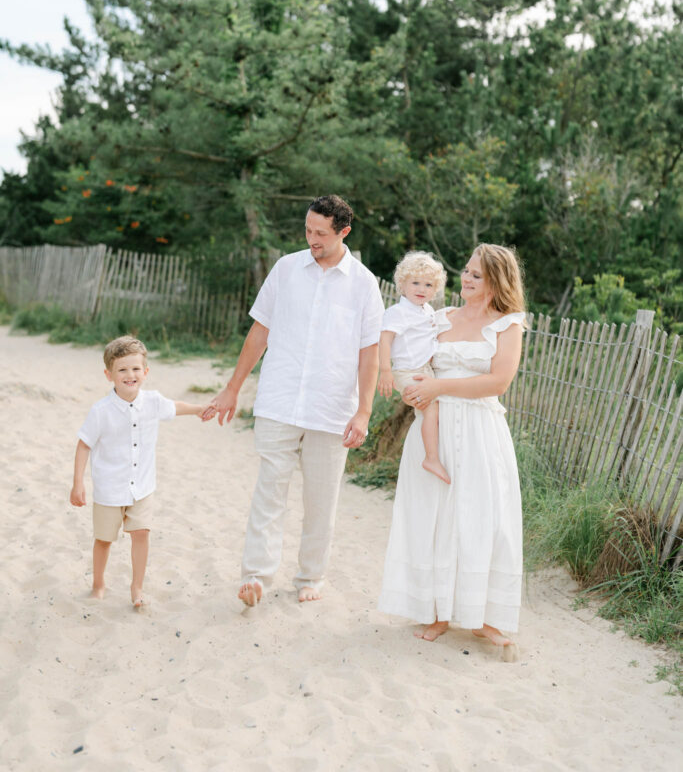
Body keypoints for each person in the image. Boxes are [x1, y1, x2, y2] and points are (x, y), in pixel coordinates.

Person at [209, 195, 385, 607]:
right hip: (279, 398)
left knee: (321, 500)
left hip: (331, 408)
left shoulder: (364, 284)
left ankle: (311, 575)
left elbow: (369, 355)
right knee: (269, 490)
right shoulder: (286, 268)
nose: (311, 239)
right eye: (307, 229)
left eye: (320, 233)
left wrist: (364, 411)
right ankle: (255, 576)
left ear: (344, 232)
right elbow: (260, 331)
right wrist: (233, 387)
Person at [378, 243, 526, 654]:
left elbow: (497, 382)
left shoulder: (508, 325)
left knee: (480, 517)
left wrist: (440, 386)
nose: (466, 278)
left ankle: (482, 616)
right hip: (434, 427)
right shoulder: (436, 318)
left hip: (480, 430)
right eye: (465, 270)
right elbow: (409, 359)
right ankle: (438, 611)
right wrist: (411, 390)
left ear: (496, 281)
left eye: (476, 275)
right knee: (434, 516)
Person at [70, 335, 213, 607]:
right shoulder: (101, 411)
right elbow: (83, 445)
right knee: (104, 540)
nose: (130, 375)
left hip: (142, 487)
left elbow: (175, 407)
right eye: (122, 369)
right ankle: (98, 584)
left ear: (145, 372)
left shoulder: (153, 401)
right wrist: (78, 483)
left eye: (135, 369)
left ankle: (137, 588)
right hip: (109, 489)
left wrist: (198, 409)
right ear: (109, 375)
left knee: (141, 534)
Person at [378, 251, 449, 483]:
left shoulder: (427, 311)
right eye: (415, 282)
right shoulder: (397, 313)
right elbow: (385, 340)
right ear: (403, 284)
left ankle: (426, 456)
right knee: (431, 408)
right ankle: (431, 458)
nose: (421, 288)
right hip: (407, 371)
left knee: (432, 411)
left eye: (428, 284)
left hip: (424, 371)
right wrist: (385, 371)